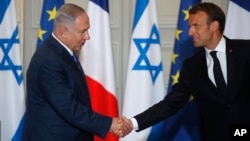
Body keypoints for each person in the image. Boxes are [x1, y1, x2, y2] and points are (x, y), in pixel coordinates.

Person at [121, 2, 250, 141]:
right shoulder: (191, 67)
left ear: (214, 26)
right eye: (190, 27)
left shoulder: (245, 50)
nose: (190, 32)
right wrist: (132, 123)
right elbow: (170, 104)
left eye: (196, 26)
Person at [23, 3, 130, 141]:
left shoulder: (63, 52)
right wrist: (110, 124)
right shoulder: (49, 60)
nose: (87, 36)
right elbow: (68, 107)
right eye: (82, 31)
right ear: (64, 32)